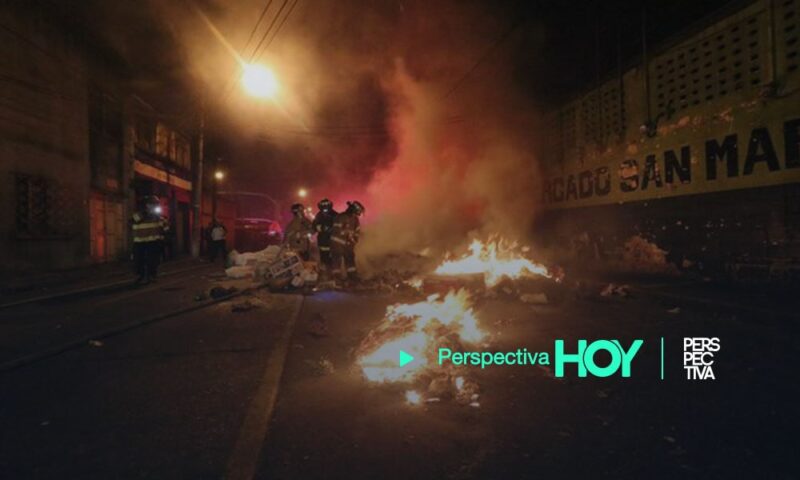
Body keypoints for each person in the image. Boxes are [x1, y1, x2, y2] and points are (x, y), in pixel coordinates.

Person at [131, 196, 169, 285]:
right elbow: (132, 221)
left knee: (153, 260)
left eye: (155, 205)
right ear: (146, 205)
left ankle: (152, 275)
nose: (153, 207)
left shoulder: (159, 217)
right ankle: (140, 276)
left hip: (153, 242)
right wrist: (145, 214)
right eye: (151, 205)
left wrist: (163, 238)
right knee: (139, 260)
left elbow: (165, 228)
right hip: (139, 242)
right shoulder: (139, 215)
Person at [330, 200, 364, 281]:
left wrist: (355, 239)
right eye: (356, 213)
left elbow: (357, 231)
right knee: (336, 260)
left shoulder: (355, 219)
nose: (356, 215)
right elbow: (336, 230)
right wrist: (346, 233)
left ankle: (352, 276)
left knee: (350, 258)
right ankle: (336, 277)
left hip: (348, 244)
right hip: (337, 243)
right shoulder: (341, 217)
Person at [312, 198, 338, 272]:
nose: (325, 208)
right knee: (323, 258)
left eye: (326, 205)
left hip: (333, 240)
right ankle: (326, 273)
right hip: (322, 241)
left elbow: (339, 226)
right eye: (323, 206)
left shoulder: (335, 215)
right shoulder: (319, 215)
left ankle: (335, 273)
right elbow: (314, 225)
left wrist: (330, 229)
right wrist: (318, 227)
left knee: (334, 258)